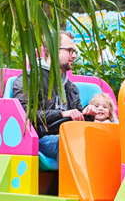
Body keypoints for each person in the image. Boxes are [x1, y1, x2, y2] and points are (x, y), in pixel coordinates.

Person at [11, 31, 83, 159]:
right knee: (69, 142)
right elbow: (25, 115)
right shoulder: (29, 78)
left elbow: (79, 119)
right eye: (70, 50)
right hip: (40, 138)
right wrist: (61, 113)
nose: (75, 55)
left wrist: (90, 113)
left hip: (69, 134)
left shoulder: (71, 87)